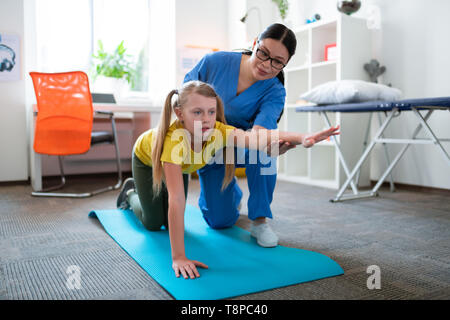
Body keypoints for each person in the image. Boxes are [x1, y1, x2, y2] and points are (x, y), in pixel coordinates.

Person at [116, 80, 340, 279]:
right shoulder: (174, 141)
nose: (206, 120)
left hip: (180, 166)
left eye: (211, 112)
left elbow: (257, 138)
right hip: (148, 161)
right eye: (197, 112)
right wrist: (179, 258)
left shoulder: (217, 131)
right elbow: (176, 199)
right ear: (179, 113)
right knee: (154, 223)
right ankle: (130, 193)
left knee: (176, 221)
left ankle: (144, 196)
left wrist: (303, 137)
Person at [183, 23, 299, 248]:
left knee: (266, 152)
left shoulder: (275, 90)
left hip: (244, 145)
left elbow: (260, 134)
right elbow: (183, 97)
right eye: (263, 53)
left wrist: (275, 144)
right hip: (210, 146)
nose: (267, 65)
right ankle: (232, 194)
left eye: (277, 61)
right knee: (219, 221)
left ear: (285, 63)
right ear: (255, 43)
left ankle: (260, 221)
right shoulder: (213, 63)